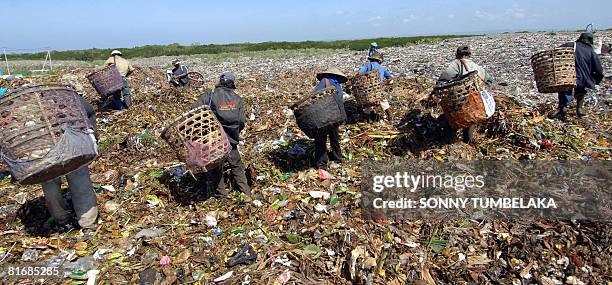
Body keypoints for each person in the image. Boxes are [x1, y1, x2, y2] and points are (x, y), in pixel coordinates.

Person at [41, 95, 99, 232]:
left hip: (45, 150)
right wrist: (94, 137)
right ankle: (88, 222)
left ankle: (62, 221)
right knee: (80, 182)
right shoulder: (72, 98)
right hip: (72, 146)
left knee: (50, 184)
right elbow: (89, 112)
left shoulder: (32, 107)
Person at [192, 72, 250, 197]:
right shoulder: (237, 99)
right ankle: (246, 193)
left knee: (216, 168)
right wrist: (234, 133)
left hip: (214, 139)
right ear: (232, 83)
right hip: (231, 140)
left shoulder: (210, 94)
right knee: (237, 166)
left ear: (220, 82)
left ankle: (222, 195)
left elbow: (195, 111)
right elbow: (241, 121)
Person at [437, 45, 494, 143]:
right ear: (469, 55)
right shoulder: (476, 67)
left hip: (459, 101)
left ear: (457, 54)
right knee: (471, 121)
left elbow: (442, 81)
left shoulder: (456, 64)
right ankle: (468, 143)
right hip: (475, 103)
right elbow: (489, 80)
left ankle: (451, 142)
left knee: (451, 121)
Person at [548, 32, 604, 120]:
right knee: (581, 90)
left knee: (565, 89)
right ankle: (579, 109)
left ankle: (564, 108)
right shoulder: (591, 52)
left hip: (568, 75)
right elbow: (599, 70)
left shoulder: (570, 45)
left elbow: (555, 52)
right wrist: (596, 80)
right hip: (584, 78)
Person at [312, 67, 348, 169]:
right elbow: (340, 100)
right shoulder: (338, 85)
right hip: (336, 115)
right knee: (334, 137)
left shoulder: (324, 81)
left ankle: (321, 163)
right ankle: (337, 158)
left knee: (320, 139)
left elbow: (315, 95)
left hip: (325, 115)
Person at [358, 51, 393, 120]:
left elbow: (360, 73)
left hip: (369, 89)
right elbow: (390, 77)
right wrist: (386, 83)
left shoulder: (368, 66)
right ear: (379, 60)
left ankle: (368, 119)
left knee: (368, 103)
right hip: (378, 89)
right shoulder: (382, 68)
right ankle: (390, 117)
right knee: (384, 102)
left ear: (371, 59)